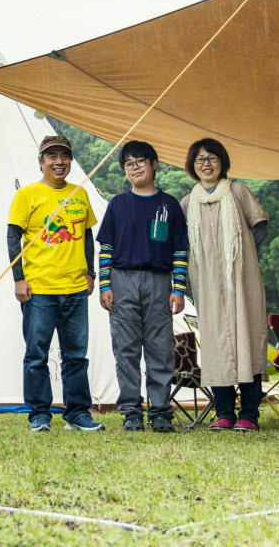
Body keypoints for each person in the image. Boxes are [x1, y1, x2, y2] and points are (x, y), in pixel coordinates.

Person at [7, 134, 105, 433]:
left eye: (64, 156)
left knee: (76, 355)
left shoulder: (79, 194)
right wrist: (19, 278)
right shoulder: (26, 195)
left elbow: (87, 235)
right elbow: (13, 236)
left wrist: (91, 272)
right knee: (37, 354)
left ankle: (77, 414)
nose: (59, 162)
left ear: (70, 161)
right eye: (52, 157)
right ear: (41, 162)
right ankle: (39, 414)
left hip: (75, 287)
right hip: (39, 289)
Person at [97, 141, 188, 433]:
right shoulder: (118, 204)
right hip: (122, 280)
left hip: (160, 281)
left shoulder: (169, 204)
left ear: (154, 164)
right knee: (126, 349)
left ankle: (161, 411)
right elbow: (106, 248)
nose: (135, 168)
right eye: (129, 164)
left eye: (140, 162)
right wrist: (104, 285)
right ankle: (131, 412)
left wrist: (179, 288)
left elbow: (180, 251)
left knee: (160, 348)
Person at [181, 138, 269, 433]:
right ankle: (224, 414)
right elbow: (181, 245)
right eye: (199, 160)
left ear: (222, 161)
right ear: (193, 166)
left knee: (247, 340)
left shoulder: (238, 191)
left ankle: (249, 415)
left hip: (242, 281)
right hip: (206, 282)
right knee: (216, 344)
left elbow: (260, 227)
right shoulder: (187, 202)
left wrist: (240, 258)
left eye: (211, 158)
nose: (206, 164)